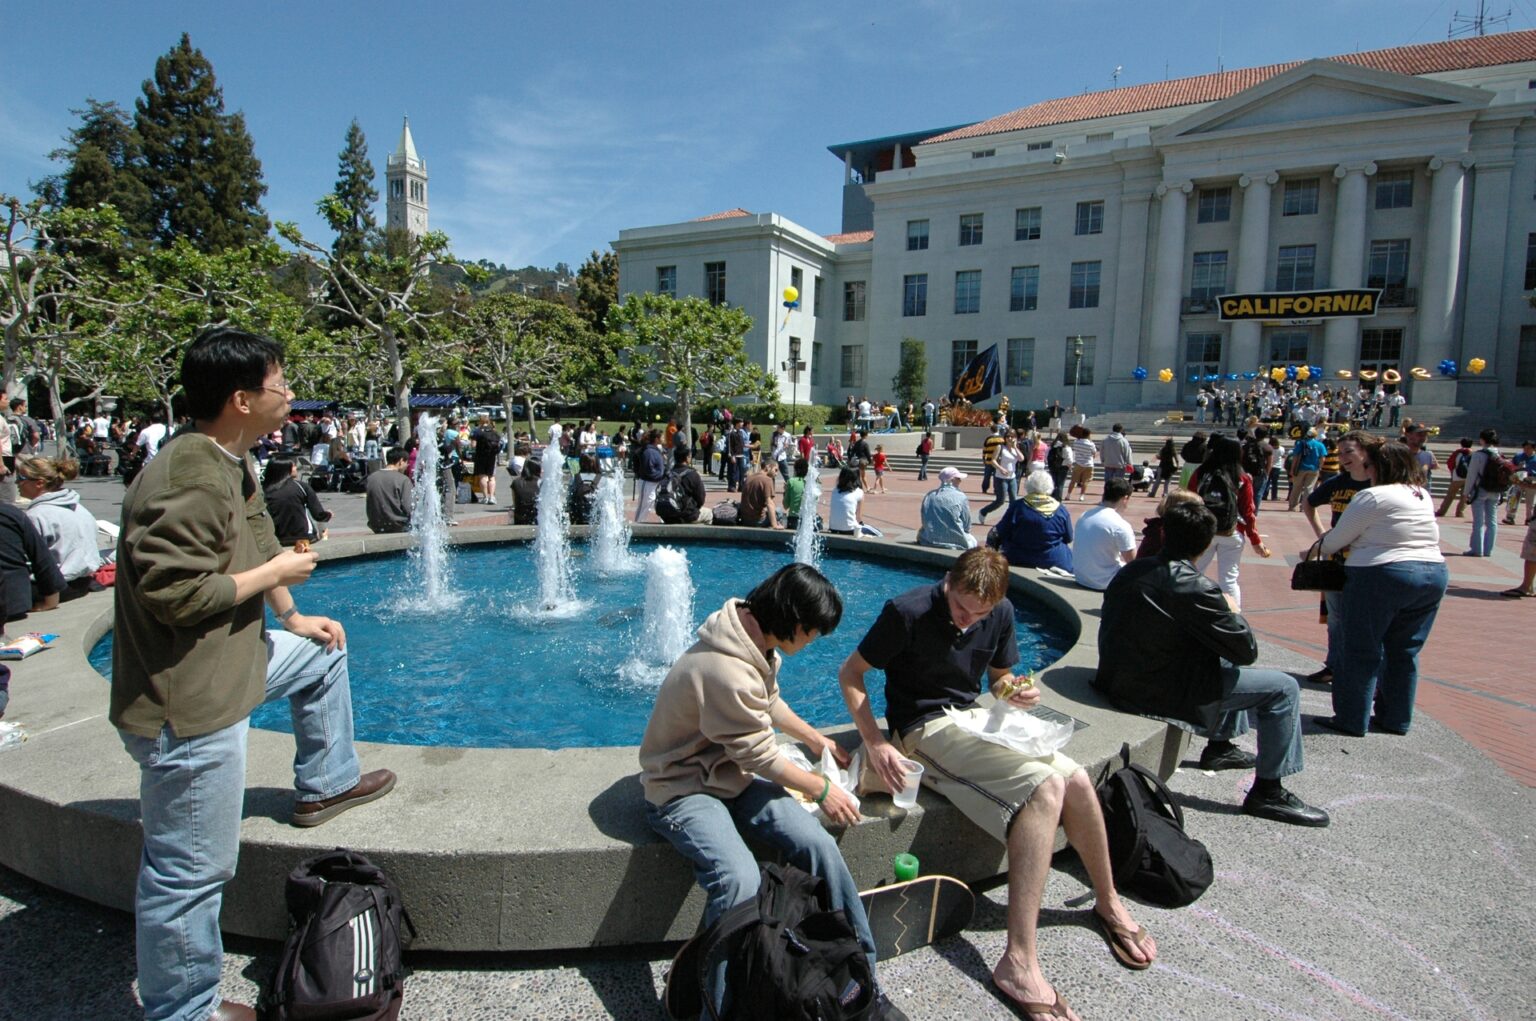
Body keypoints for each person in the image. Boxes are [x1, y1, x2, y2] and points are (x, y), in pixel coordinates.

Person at [111, 327, 395, 1021]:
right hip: (191, 701)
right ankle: (183, 1010)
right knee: (190, 872)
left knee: (325, 653)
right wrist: (273, 573)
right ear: (241, 398)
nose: (291, 393)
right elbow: (175, 596)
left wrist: (293, 616)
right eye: (280, 384)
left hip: (236, 663)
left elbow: (260, 534)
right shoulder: (186, 476)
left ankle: (325, 783)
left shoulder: (231, 457)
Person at [838, 548, 1155, 1018]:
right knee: (1047, 787)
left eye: (979, 614)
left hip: (972, 719)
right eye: (960, 607)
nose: (967, 621)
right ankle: (1018, 959)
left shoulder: (1001, 611)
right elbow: (851, 673)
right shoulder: (908, 611)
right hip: (921, 727)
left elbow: (1000, 677)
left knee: (1076, 781)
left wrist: (1015, 690)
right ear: (948, 581)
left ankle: (1107, 902)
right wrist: (876, 741)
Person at [639, 565, 906, 1020]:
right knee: (739, 880)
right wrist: (822, 789)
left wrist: (815, 739)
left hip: (727, 777)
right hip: (681, 788)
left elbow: (769, 703)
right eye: (815, 631)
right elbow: (759, 757)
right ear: (792, 620)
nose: (815, 640)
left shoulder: (754, 637)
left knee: (817, 843)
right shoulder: (725, 667)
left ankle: (863, 972)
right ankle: (714, 1006)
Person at [1096, 499, 1329, 827]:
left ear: (1164, 534)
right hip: (1159, 690)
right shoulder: (1198, 588)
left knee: (1217, 652)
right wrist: (1231, 609)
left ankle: (1221, 747)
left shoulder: (1133, 570)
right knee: (1284, 689)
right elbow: (1246, 652)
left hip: (1121, 677)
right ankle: (1269, 791)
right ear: (1206, 544)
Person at [1317, 440, 1447, 736]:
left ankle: (1351, 718)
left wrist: (1316, 549)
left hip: (1380, 573)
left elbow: (1336, 540)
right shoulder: (1421, 494)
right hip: (1432, 571)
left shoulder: (1371, 496)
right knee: (1405, 650)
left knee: (1360, 649)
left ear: (1376, 467)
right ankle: (1396, 718)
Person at [1301, 430, 1377, 685]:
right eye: (1341, 452)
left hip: (1367, 561)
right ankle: (1334, 665)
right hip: (1337, 560)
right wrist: (1322, 535)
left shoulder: (1377, 484)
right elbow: (1309, 503)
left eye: (1349, 452)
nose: (1344, 457)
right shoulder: (1337, 482)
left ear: (1365, 452)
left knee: (1362, 619)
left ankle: (1361, 671)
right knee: (1335, 618)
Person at [1188, 436, 1272, 611]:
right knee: (1229, 578)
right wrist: (1255, 540)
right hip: (1231, 531)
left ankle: (1190, 609)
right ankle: (1234, 616)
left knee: (1193, 573)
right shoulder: (1241, 477)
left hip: (1204, 530)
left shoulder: (1202, 472)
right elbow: (1248, 512)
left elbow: (1190, 500)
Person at [14, 454, 103, 601]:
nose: (16, 482)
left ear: (39, 483)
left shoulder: (37, 515)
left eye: (21, 478)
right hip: (83, 582)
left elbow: (25, 560)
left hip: (54, 588)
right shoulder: (79, 507)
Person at [991, 470, 1073, 572]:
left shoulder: (1018, 507)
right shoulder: (1061, 510)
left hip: (1019, 558)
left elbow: (999, 532)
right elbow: (1069, 538)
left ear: (1028, 486)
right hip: (1054, 560)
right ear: (1050, 487)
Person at [1072, 478, 1136, 591]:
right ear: (1125, 498)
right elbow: (1133, 563)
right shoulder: (1120, 525)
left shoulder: (1084, 516)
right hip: (1106, 583)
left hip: (1081, 577)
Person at [262, 454, 332, 547]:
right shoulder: (301, 487)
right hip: (305, 538)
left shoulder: (264, 491)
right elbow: (318, 515)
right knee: (323, 533)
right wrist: (329, 514)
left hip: (278, 539)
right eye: (294, 466)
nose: (296, 468)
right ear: (286, 469)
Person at [1463, 428, 1508, 558]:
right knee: (1492, 521)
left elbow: (1471, 475)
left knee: (1478, 521)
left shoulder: (1479, 455)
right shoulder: (1500, 454)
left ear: (1482, 439)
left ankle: (1477, 549)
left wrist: (1466, 492)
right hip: (1495, 490)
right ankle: (1488, 549)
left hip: (1480, 490)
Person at [916, 466, 975, 550]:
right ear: (952, 480)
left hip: (929, 539)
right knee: (973, 541)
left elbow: (924, 518)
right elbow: (967, 524)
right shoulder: (961, 496)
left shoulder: (930, 495)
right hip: (957, 542)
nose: (960, 481)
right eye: (958, 478)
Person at [364, 447, 414, 534]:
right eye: (406, 462)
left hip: (376, 525)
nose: (407, 466)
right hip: (398, 525)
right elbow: (408, 507)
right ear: (401, 461)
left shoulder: (371, 478)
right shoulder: (403, 479)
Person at [978, 432, 1020, 525]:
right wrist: (1001, 468)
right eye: (1008, 436)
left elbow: (1021, 458)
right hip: (1001, 477)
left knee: (1014, 500)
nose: (1009, 438)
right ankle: (983, 512)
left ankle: (1011, 520)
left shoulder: (1015, 449)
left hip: (1012, 477)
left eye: (1012, 436)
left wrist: (1015, 447)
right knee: (1000, 501)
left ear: (1015, 438)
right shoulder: (1000, 447)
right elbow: (993, 460)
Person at [1286, 428, 1326, 511]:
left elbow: (1295, 457)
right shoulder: (1320, 445)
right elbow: (1322, 458)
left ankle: (1292, 506)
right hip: (1314, 469)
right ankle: (1304, 507)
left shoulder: (1301, 443)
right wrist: (1320, 467)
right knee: (1309, 488)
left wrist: (1292, 469)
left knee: (1296, 487)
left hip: (1300, 468)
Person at [737, 458, 782, 529]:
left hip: (745, 520)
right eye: (775, 470)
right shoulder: (767, 480)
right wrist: (774, 525)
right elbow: (769, 503)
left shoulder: (749, 478)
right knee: (779, 511)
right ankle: (776, 524)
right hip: (758, 521)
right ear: (768, 467)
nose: (776, 474)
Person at [635, 429, 667, 523]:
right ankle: (637, 525)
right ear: (657, 439)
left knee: (658, 504)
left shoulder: (655, 450)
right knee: (645, 506)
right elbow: (649, 469)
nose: (664, 438)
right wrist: (660, 475)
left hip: (655, 482)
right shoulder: (649, 452)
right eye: (662, 436)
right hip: (648, 483)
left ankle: (664, 522)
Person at [1502, 439, 1535, 526]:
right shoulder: (1518, 456)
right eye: (1525, 448)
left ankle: (1529, 518)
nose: (1526, 450)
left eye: (1529, 448)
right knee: (1514, 498)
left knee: (1530, 501)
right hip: (1519, 479)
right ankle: (1510, 517)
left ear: (1533, 449)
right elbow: (1510, 466)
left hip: (1531, 481)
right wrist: (1517, 467)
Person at [471, 415, 501, 506]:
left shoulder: (477, 431)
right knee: (491, 477)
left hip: (481, 456)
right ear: (489, 421)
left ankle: (485, 497)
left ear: (480, 421)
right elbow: (498, 444)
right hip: (492, 456)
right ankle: (492, 496)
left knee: (483, 477)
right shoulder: (494, 431)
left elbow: (473, 445)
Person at [827, 467, 866, 536]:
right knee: (876, 532)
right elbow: (858, 518)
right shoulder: (859, 492)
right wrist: (861, 524)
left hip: (833, 528)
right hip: (850, 529)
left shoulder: (835, 490)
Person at [568, 453, 601, 525]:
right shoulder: (602, 479)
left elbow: (569, 499)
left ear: (580, 463)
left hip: (580, 517)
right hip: (597, 519)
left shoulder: (575, 478)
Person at [1067, 426, 1097, 502]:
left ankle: (1068, 495)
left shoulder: (1076, 442)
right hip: (1088, 464)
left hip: (1078, 463)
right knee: (1085, 481)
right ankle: (1081, 496)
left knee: (1073, 480)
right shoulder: (1091, 444)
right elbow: (1094, 454)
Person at [510, 457, 541, 526]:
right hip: (538, 518)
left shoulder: (516, 482)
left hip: (520, 518)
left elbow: (515, 503)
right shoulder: (541, 482)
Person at [1045, 430, 1073, 502]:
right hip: (1063, 466)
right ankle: (1058, 499)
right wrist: (1069, 466)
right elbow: (1070, 459)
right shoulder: (1066, 447)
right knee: (1060, 484)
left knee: (1054, 482)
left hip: (1052, 466)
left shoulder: (1052, 446)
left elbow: (1046, 455)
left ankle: (1052, 497)